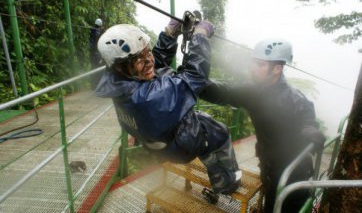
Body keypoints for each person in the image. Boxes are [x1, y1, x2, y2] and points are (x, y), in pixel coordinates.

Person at [94, 20, 242, 195]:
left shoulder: (121, 82)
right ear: (120, 66)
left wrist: (169, 35)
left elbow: (152, 65)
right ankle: (228, 182)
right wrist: (200, 36)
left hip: (159, 142)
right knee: (220, 132)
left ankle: (210, 159)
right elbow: (195, 77)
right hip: (180, 148)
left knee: (166, 77)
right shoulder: (150, 98)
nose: (149, 61)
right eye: (139, 59)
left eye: (148, 52)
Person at [200, 39, 326, 212]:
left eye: (260, 64)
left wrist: (309, 129)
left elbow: (307, 118)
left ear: (277, 69)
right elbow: (223, 91)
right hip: (269, 167)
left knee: (289, 207)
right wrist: (191, 82)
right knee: (271, 204)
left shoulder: (295, 99)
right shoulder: (253, 91)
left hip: (294, 172)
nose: (253, 68)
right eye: (254, 63)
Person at [89, 18, 104, 89]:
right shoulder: (95, 31)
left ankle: (94, 85)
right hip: (96, 54)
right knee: (98, 69)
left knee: (93, 69)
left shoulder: (93, 30)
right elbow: (98, 36)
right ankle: (97, 85)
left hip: (93, 54)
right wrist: (102, 32)